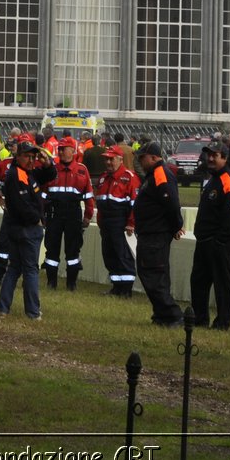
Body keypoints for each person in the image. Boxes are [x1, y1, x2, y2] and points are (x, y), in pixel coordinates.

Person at [0, 143, 49, 320]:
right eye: (28, 157)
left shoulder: (27, 173)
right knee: (30, 270)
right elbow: (22, 205)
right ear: (18, 156)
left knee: (14, 268)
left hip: (19, 228)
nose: (32, 160)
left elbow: (50, 175)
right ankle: (32, 311)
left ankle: (3, 309)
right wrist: (36, 220)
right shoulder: (16, 175)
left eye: (33, 157)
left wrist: (47, 162)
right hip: (26, 229)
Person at [130, 141, 184, 327]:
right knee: (152, 273)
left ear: (153, 157)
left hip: (155, 233)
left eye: (142, 158)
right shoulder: (154, 174)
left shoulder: (160, 173)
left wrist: (176, 226)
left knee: (154, 273)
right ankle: (162, 314)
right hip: (151, 232)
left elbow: (171, 201)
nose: (140, 162)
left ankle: (171, 314)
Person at [190, 139, 230, 330]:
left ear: (225, 158)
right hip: (204, 240)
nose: (210, 158)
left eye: (215, 155)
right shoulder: (212, 178)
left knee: (222, 284)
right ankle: (200, 318)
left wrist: (221, 241)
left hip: (218, 242)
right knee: (198, 282)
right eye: (209, 154)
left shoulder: (227, 181)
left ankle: (222, 322)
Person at [42, 135, 94, 292]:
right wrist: (41, 214)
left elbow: (89, 196)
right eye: (60, 149)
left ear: (73, 150)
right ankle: (51, 283)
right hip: (54, 213)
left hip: (73, 213)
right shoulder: (51, 169)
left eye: (64, 149)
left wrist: (88, 215)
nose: (61, 151)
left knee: (73, 250)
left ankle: (71, 284)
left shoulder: (82, 170)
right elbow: (43, 194)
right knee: (51, 249)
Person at [95, 145, 139, 296]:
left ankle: (126, 290)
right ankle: (116, 286)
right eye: (106, 159)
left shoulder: (129, 177)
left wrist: (131, 223)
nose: (108, 162)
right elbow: (100, 203)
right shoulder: (102, 178)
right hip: (106, 223)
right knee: (109, 254)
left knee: (123, 255)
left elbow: (135, 204)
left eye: (111, 159)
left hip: (121, 223)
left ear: (120, 160)